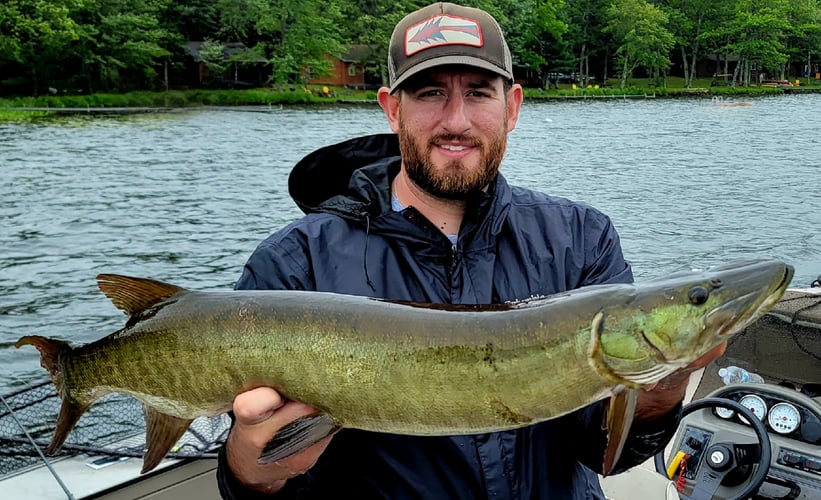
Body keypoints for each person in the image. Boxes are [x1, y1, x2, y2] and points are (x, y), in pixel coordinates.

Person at [216, 2, 725, 498]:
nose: (455, 120)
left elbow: (599, 451)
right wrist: (255, 466)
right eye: (430, 92)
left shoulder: (582, 238)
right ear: (393, 109)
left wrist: (659, 393)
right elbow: (253, 477)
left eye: (479, 93)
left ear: (513, 108)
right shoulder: (293, 262)